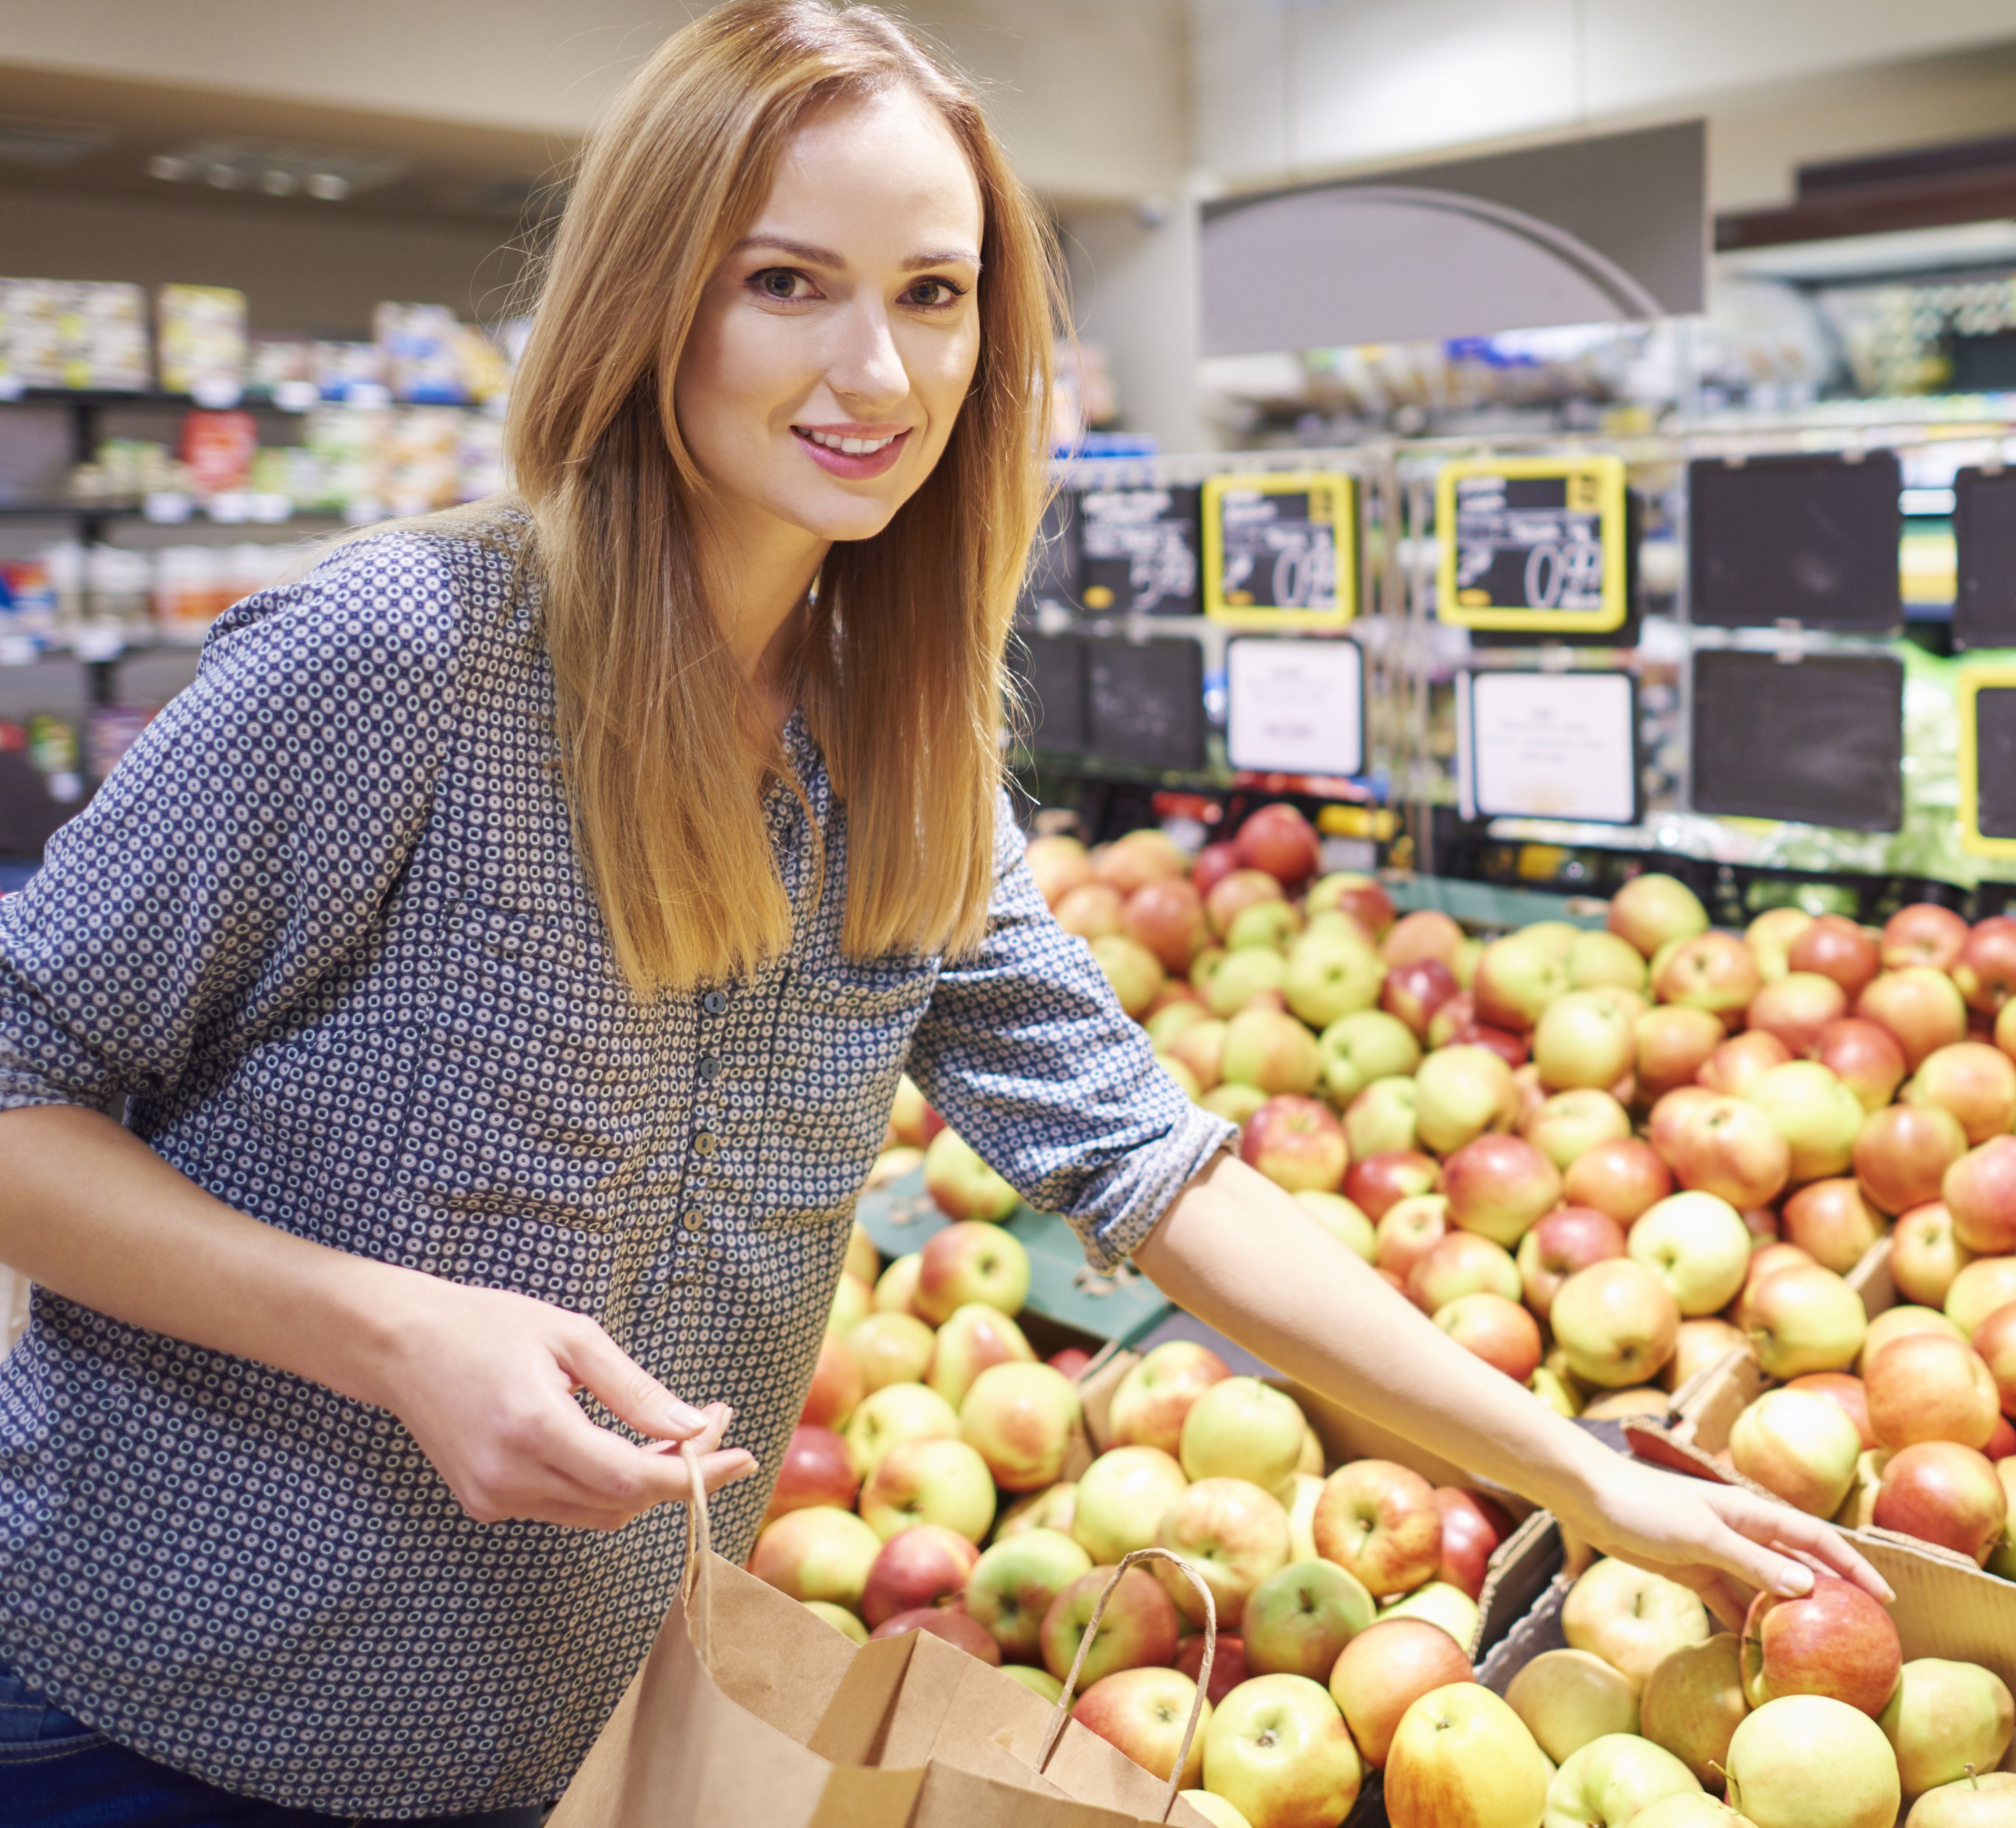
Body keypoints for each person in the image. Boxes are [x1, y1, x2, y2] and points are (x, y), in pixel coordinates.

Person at [0, 4, 1883, 1821]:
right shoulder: (402, 664)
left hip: (589, 1747)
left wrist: (1578, 1469)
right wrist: (396, 1334)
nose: (877, 376)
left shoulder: (895, 751)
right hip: (159, 1716)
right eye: (787, 283)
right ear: (655, 293)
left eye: (935, 295)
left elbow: (1155, 1166)